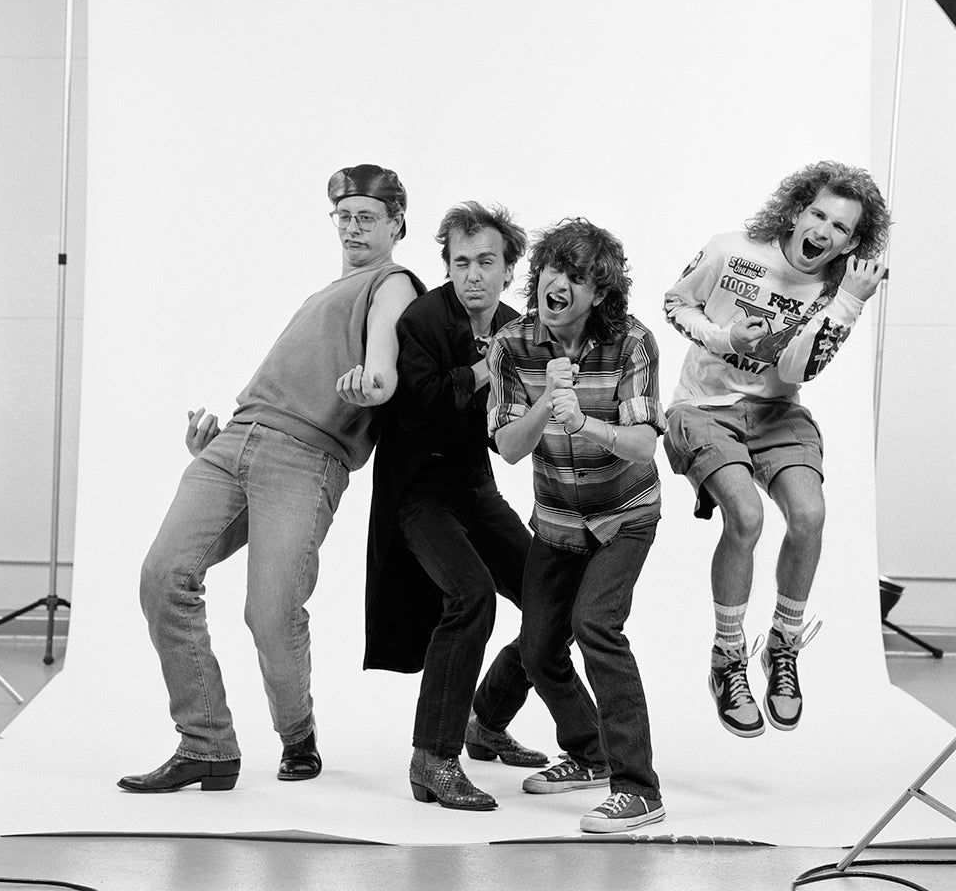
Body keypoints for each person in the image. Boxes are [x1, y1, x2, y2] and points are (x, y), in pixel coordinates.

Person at [118, 164, 422, 793]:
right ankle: (205, 743)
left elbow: (384, 370)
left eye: (368, 217)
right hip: (234, 440)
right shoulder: (322, 295)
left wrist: (373, 386)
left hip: (305, 458)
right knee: (163, 575)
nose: (353, 228)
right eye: (344, 216)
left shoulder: (391, 283)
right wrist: (211, 444)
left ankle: (297, 733)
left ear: (397, 224)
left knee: (271, 611)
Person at [661, 161, 891, 738]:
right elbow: (675, 303)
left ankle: (783, 646)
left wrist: (849, 302)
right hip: (703, 409)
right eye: (819, 214)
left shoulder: (838, 289)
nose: (824, 231)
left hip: (777, 412)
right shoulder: (730, 250)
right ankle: (727, 656)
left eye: (841, 228)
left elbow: (796, 370)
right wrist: (723, 337)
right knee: (746, 516)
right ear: (797, 211)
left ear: (852, 243)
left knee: (809, 515)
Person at [364, 201, 546, 812]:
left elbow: (508, 432)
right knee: (471, 597)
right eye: (461, 262)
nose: (472, 275)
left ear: (508, 269)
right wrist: (485, 369)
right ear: (447, 266)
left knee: (552, 599)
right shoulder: (422, 319)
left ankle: (486, 722)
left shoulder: (518, 327)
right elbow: (418, 411)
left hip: (475, 487)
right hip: (418, 492)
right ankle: (433, 759)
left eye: (485, 262)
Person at [489, 217, 667, 834]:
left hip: (625, 516)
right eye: (550, 270)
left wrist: (585, 423)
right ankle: (591, 754)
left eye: (576, 276)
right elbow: (509, 448)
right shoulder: (512, 344)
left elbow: (644, 446)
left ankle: (638, 788)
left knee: (595, 624)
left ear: (600, 293)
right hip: (558, 520)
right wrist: (546, 402)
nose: (556, 284)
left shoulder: (632, 341)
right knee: (539, 649)